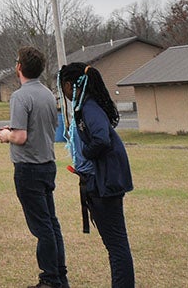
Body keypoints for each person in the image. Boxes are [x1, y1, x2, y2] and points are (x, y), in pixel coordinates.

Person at [0, 46, 68, 288]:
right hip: (48, 165)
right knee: (51, 223)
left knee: (43, 227)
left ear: (19, 67)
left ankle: (50, 280)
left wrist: (6, 134)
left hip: (29, 168)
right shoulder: (48, 94)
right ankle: (60, 275)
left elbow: (20, 136)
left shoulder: (20, 96)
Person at [60, 62, 135, 288]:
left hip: (105, 184)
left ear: (70, 85)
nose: (63, 92)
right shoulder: (86, 107)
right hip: (99, 182)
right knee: (115, 245)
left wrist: (85, 153)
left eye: (62, 87)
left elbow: (101, 139)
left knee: (117, 245)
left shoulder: (89, 108)